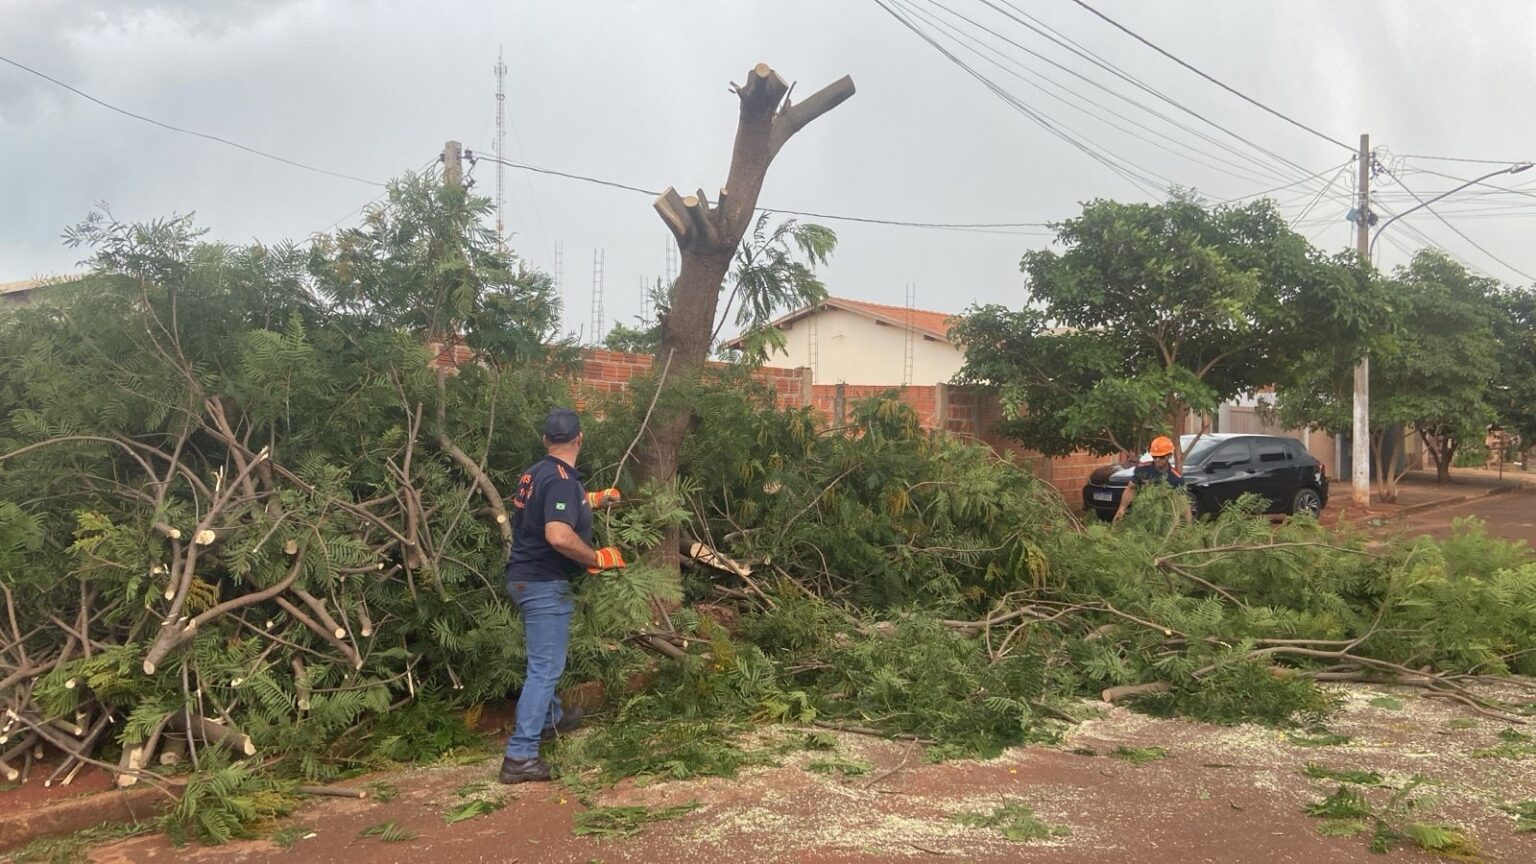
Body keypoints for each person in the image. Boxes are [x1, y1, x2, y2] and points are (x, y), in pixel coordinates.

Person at [499, 407, 626, 785]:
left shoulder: (536, 473)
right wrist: (596, 558)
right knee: (545, 668)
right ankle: (520, 756)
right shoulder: (561, 481)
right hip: (543, 584)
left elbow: (552, 503)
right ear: (580, 438)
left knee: (543, 661)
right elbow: (557, 534)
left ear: (545, 440)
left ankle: (550, 719)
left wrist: (593, 499)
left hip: (526, 579)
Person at [1113, 435, 1187, 523]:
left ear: (1169, 455)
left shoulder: (1176, 478)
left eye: (1161, 457)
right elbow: (1131, 488)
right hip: (1141, 516)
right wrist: (1122, 508)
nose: (1157, 459)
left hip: (1164, 520)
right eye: (1155, 456)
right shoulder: (1143, 469)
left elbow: (1184, 503)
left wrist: (1187, 526)